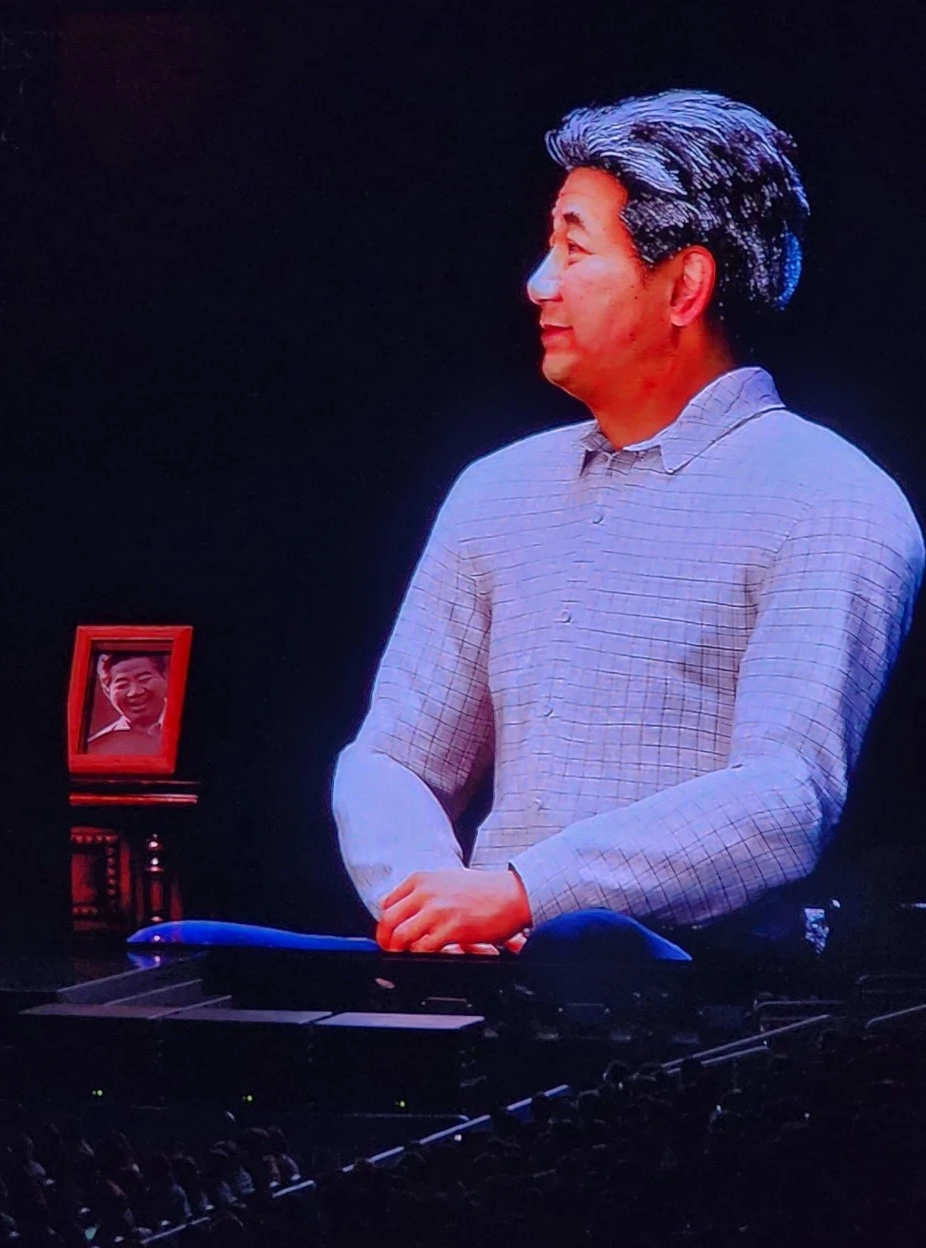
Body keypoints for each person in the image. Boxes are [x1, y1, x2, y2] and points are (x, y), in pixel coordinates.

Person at [332, 89, 924, 959]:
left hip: (707, 1005)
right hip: (481, 985)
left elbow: (784, 800)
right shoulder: (495, 490)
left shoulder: (832, 497)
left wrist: (521, 891)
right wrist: (429, 902)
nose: (539, 284)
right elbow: (393, 759)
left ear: (685, 286)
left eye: (574, 249)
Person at [87, 651, 169, 755]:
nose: (134, 692)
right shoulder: (97, 747)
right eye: (122, 685)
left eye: (144, 679)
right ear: (107, 692)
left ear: (166, 678)